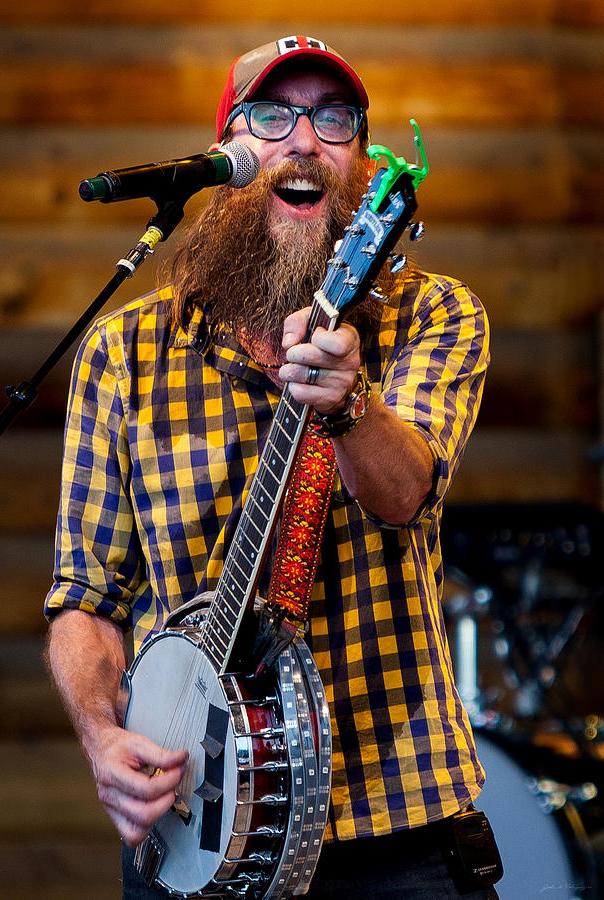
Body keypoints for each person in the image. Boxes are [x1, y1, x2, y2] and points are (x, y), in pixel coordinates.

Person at [45, 34, 495, 899]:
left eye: (334, 119)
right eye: (272, 115)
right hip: (193, 830)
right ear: (229, 154)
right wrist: (104, 739)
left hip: (394, 831)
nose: (303, 139)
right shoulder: (126, 352)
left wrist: (349, 403)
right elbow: (85, 595)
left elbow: (408, 494)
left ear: (365, 170)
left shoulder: (433, 315)